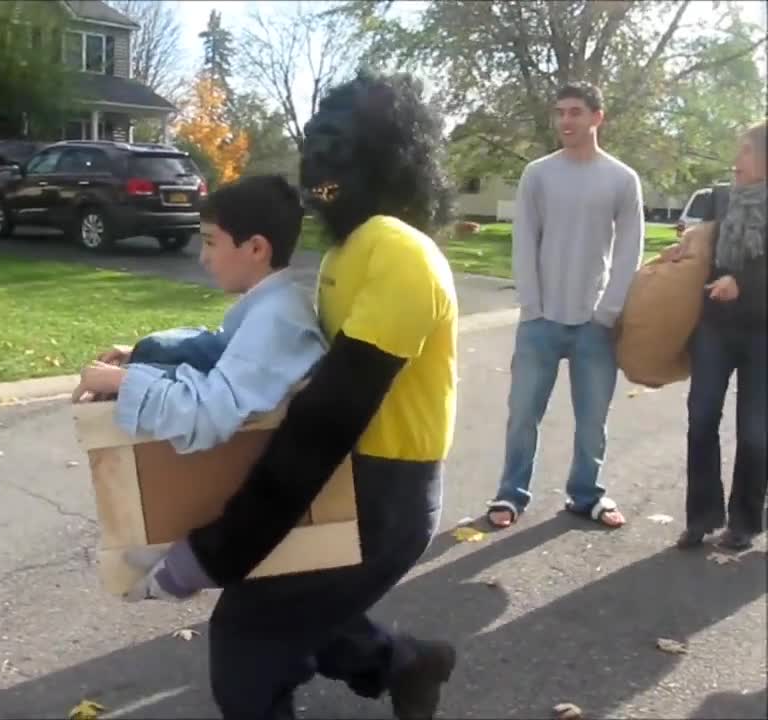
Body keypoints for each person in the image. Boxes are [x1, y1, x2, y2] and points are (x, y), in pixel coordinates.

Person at [126, 71, 460, 720]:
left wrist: (221, 549)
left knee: (249, 633)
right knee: (297, 607)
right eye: (314, 148)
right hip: (348, 482)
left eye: (335, 151)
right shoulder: (349, 252)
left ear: (384, 155)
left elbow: (324, 422)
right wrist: (156, 353)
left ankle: (408, 663)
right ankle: (409, 664)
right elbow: (278, 356)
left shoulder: (400, 254)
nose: (318, 171)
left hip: (386, 495)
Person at [71, 174, 327, 455]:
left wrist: (122, 381)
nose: (202, 257)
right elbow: (223, 354)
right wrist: (139, 355)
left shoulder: (276, 322)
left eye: (210, 242)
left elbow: (206, 416)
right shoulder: (277, 306)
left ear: (256, 248)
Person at [485, 81, 645, 530]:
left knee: (593, 420)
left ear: (598, 117)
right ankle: (510, 493)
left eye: (575, 112)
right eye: (560, 113)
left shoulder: (621, 178)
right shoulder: (537, 173)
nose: (566, 121)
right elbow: (523, 241)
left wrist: (608, 312)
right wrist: (531, 305)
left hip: (595, 322)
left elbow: (630, 251)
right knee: (522, 416)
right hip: (540, 320)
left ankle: (586, 494)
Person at [665, 120, 767, 551]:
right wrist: (683, 248)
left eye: (745, 151)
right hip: (715, 327)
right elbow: (704, 240)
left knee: (755, 430)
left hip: (762, 332)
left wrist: (742, 282)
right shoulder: (721, 198)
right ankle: (701, 517)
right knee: (701, 417)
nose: (736, 160)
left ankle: (744, 521)